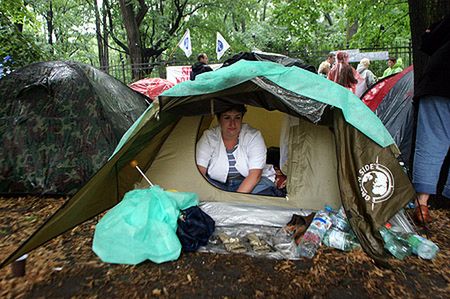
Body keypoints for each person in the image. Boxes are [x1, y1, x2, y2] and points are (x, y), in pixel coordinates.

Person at [412, 13, 450, 224]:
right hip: (439, 81)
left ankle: (422, 205)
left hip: (439, 82)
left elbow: (428, 42)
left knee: (431, 142)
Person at [196, 104, 280, 195]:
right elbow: (200, 172)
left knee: (263, 191)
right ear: (219, 120)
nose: (232, 123)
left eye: (237, 117)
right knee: (202, 190)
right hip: (218, 184)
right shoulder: (209, 137)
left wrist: (236, 200)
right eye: (227, 118)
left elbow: (255, 174)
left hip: (250, 182)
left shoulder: (253, 136)